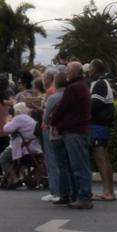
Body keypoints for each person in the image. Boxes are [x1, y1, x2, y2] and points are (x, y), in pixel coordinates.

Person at [49, 61, 93, 209]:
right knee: (81, 165)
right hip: (79, 130)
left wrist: (53, 122)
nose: (66, 72)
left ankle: (83, 196)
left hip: (74, 131)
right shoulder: (81, 86)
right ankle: (81, 195)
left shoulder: (74, 88)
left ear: (75, 72)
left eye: (68, 70)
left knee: (78, 166)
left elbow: (62, 109)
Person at [88, 59, 117, 202]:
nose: (88, 71)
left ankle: (108, 191)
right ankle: (108, 191)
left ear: (94, 69)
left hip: (98, 125)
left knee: (101, 157)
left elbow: (94, 105)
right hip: (100, 124)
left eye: (90, 68)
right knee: (103, 158)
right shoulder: (102, 83)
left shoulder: (99, 84)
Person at [40, 69, 67, 203]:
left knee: (51, 161)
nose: (42, 80)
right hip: (59, 129)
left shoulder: (51, 92)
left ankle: (54, 190)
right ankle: (58, 190)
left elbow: (47, 113)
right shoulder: (58, 91)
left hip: (49, 128)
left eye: (44, 77)